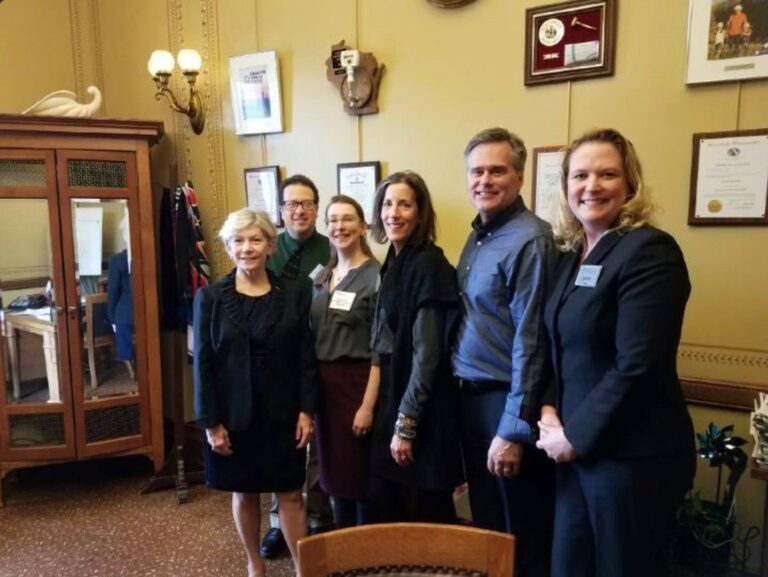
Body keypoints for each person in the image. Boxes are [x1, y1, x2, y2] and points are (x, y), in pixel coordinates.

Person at [536, 129, 695, 577]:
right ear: (566, 185)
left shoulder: (649, 251)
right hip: (575, 452)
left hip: (630, 459)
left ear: (630, 184)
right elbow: (557, 345)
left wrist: (573, 437)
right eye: (580, 175)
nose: (592, 186)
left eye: (607, 174)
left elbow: (639, 365)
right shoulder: (571, 256)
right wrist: (548, 409)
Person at [452, 127, 557, 577]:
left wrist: (513, 429)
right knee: (488, 523)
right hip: (471, 398)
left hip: (507, 401)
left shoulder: (531, 240)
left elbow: (532, 340)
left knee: (521, 529)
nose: (485, 180)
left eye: (497, 170)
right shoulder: (478, 236)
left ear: (519, 176)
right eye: (476, 171)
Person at [193, 208, 316, 577]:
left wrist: (307, 410)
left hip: (284, 412)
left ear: (270, 246)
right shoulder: (210, 297)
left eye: (255, 240)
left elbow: (305, 355)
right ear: (228, 247)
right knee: (244, 491)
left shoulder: (294, 291)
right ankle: (254, 564)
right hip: (233, 415)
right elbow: (202, 364)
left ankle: (303, 569)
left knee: (290, 493)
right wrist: (210, 423)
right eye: (239, 241)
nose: (247, 248)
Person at [368, 170, 463, 523]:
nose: (393, 213)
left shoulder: (428, 265)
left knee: (426, 517)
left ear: (421, 213)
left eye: (404, 205)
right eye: (388, 204)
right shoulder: (395, 260)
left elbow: (427, 355)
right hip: (396, 395)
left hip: (423, 409)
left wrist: (405, 425)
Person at [261, 174, 334, 558]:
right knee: (282, 441)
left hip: (323, 356)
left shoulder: (333, 247)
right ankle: (279, 521)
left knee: (319, 440)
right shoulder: (267, 249)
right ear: (281, 210)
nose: (299, 210)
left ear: (317, 208)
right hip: (280, 363)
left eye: (306, 203)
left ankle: (318, 514)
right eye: (292, 204)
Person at [310, 195, 380, 528]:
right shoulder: (322, 275)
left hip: (357, 385)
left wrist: (367, 406)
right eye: (333, 220)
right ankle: (342, 544)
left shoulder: (376, 276)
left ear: (363, 226)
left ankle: (364, 546)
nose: (340, 226)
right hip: (324, 389)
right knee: (333, 475)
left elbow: (381, 348)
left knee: (359, 476)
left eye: (348, 219)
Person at [107, 216, 135, 381]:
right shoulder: (148, 256)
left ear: (124, 235)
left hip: (124, 314)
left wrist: (111, 317)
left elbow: (113, 292)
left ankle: (127, 360)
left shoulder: (117, 260)